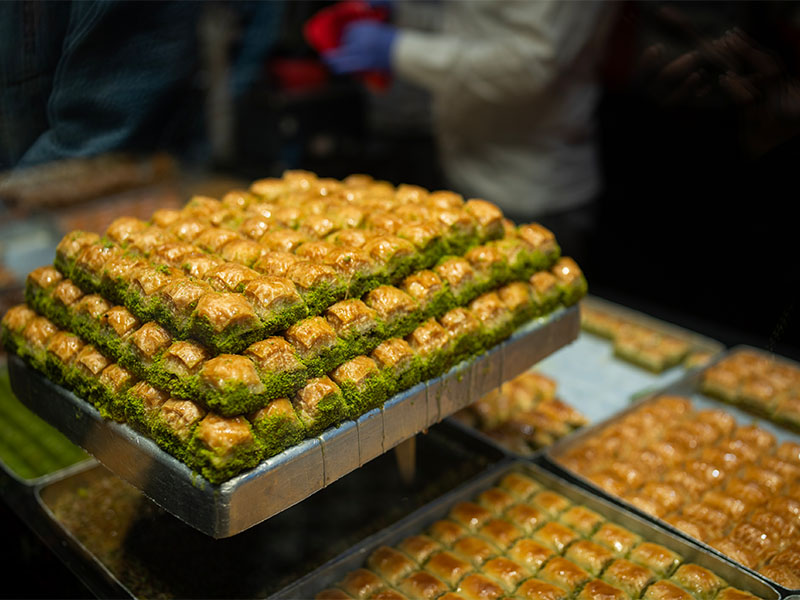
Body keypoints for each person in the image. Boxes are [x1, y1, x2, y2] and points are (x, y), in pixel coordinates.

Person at [322, 0, 617, 227]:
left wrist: (398, 49)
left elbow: (530, 66)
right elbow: (476, 27)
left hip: (529, 187)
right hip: (464, 164)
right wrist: (405, 15)